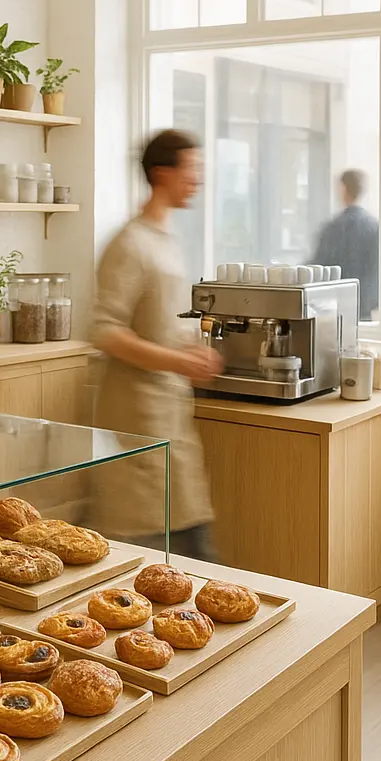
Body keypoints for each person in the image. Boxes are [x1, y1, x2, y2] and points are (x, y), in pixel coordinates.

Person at [90, 129, 223, 562]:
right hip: (137, 412)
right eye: (192, 169)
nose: (198, 179)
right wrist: (176, 361)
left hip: (168, 408)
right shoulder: (129, 243)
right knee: (152, 541)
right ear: (163, 173)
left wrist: (188, 349)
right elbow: (105, 330)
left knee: (185, 530)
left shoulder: (164, 238)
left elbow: (155, 322)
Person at [310, 169, 379, 320]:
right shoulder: (375, 227)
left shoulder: (334, 228)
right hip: (367, 308)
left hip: (337, 308)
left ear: (343, 189)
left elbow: (318, 267)